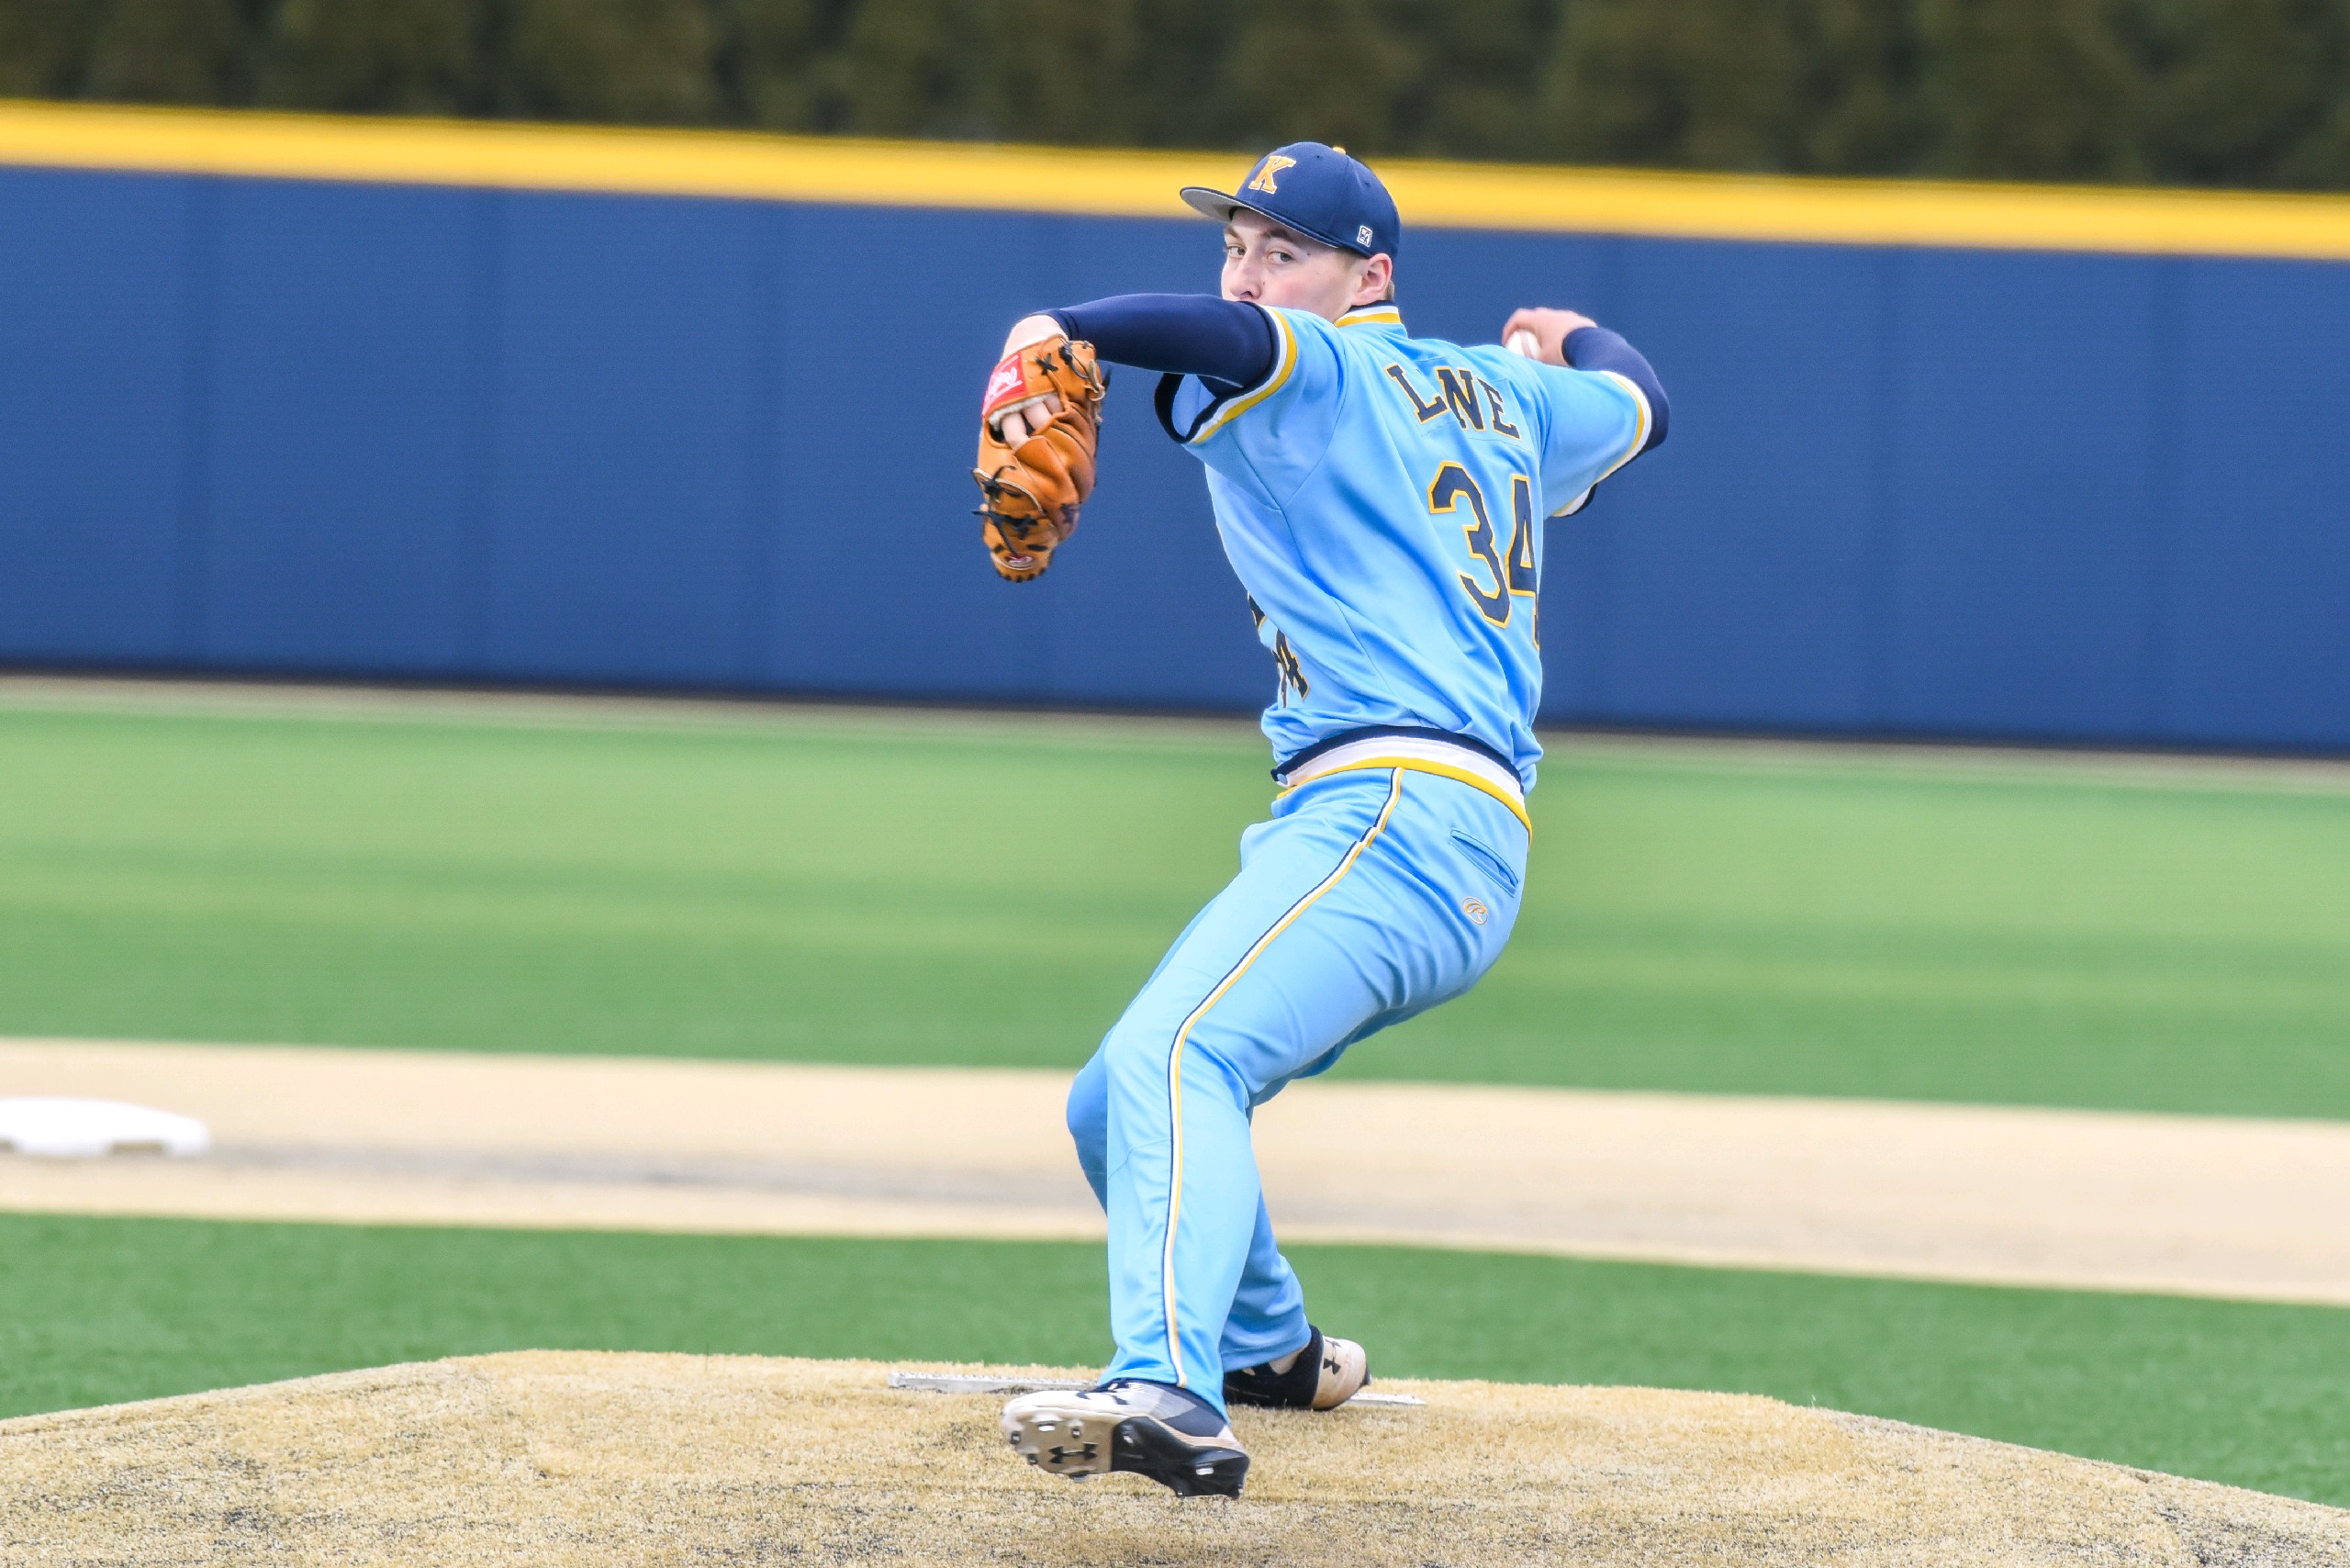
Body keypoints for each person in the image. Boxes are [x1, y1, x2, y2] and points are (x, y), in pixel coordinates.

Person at [988, 141, 1669, 1497]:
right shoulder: (1512, 392)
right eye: (1236, 246)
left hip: (1397, 810)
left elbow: (1207, 339)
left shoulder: (1331, 365)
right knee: (1110, 1102)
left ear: (1372, 277)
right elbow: (1642, 402)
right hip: (1440, 830)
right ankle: (1267, 1351)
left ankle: (1170, 1392)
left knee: (1180, 1053)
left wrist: (1060, 331)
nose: (1247, 277)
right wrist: (1571, 329)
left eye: (1282, 251)